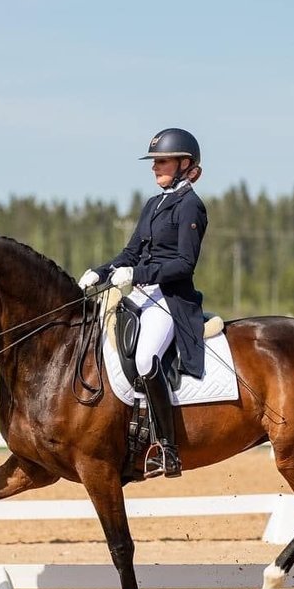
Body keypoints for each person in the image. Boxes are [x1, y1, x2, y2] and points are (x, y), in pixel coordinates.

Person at [78, 127, 209, 477]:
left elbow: (184, 264)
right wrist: (102, 272)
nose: (155, 168)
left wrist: (137, 275)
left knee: (146, 356)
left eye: (162, 161)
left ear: (185, 164)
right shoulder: (154, 204)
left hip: (170, 299)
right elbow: (131, 251)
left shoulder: (191, 206)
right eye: (154, 162)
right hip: (141, 294)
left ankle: (167, 448)